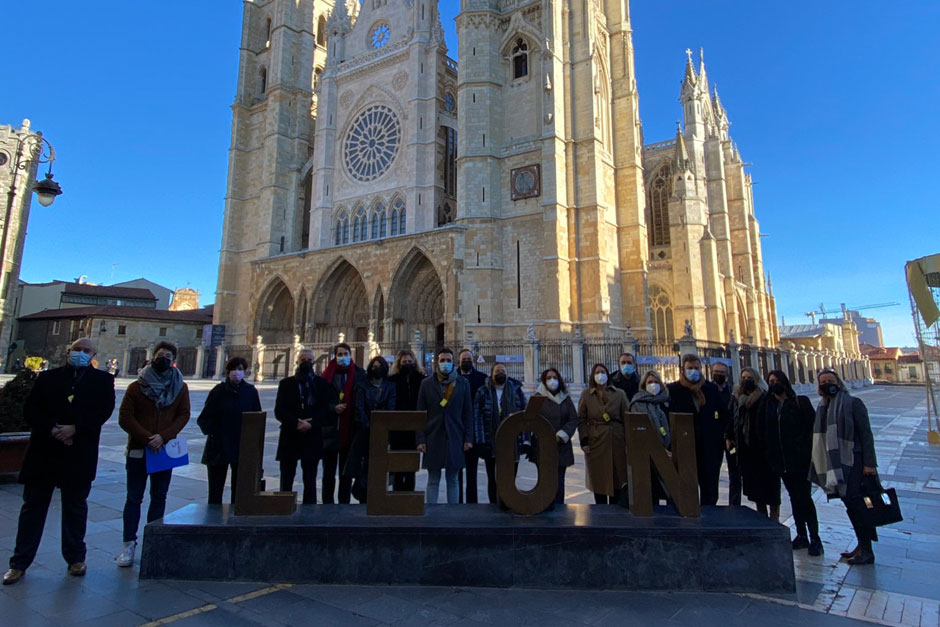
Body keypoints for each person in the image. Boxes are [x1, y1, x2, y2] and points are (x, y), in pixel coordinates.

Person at [3, 338, 115, 586]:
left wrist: (75, 428)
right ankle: (19, 563)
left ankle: (75, 559)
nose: (80, 353)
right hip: (44, 452)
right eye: (77, 349)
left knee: (75, 508)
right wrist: (53, 429)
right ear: (68, 351)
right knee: (33, 508)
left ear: (94, 354)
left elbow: (103, 412)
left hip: (79, 452)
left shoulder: (103, 380)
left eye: (86, 351)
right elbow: (31, 410)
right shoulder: (47, 378)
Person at [116, 341, 191, 568]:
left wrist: (163, 437)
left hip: (163, 451)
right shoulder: (137, 387)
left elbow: (183, 415)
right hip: (139, 449)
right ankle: (128, 543)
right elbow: (125, 417)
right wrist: (148, 437)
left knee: (159, 497)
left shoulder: (180, 387)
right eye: (161, 355)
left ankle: (154, 541)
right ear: (153, 357)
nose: (164, 358)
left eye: (168, 356)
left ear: (173, 360)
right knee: (133, 498)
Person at [810, 369, 879, 565]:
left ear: (838, 382)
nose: (827, 385)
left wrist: (869, 464)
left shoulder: (853, 403)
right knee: (850, 504)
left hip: (854, 461)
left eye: (830, 381)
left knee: (858, 504)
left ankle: (867, 550)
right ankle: (861, 545)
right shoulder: (823, 407)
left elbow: (866, 434)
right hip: (836, 464)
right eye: (823, 382)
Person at [763, 370, 821, 555]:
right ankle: (801, 535)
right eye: (770, 381)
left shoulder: (800, 402)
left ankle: (815, 538)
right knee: (794, 498)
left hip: (800, 460)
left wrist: (807, 452)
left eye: (777, 380)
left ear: (785, 382)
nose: (774, 384)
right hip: (781, 461)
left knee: (804, 498)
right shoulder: (770, 404)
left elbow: (813, 429)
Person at [667, 354, 731, 507]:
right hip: (684, 446)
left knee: (709, 488)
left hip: (708, 446)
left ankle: (709, 515)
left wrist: (718, 436)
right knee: (684, 487)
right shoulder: (673, 390)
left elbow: (724, 414)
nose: (693, 371)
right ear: (683, 369)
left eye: (696, 368)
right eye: (690, 368)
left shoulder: (711, 389)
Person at [197, 357, 262, 504]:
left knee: (240, 491)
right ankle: (214, 515)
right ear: (228, 372)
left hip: (242, 445)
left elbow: (256, 417)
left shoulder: (250, 391)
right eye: (233, 369)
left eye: (240, 369)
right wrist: (216, 434)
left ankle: (235, 515)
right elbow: (204, 419)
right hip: (219, 446)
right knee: (215, 490)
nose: (236, 372)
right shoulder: (218, 391)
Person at [274, 348, 332, 504]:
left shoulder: (321, 383)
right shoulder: (286, 384)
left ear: (314, 362)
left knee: (310, 478)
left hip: (312, 436)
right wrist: (296, 423)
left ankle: (310, 509)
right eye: (303, 360)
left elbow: (325, 410)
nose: (306, 362)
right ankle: (284, 506)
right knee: (286, 477)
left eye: (309, 360)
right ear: (297, 361)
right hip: (290, 435)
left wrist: (311, 423)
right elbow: (279, 410)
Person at [417, 348, 473, 504]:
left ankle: (453, 513)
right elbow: (420, 413)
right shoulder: (426, 384)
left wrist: (468, 438)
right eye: (442, 360)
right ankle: (431, 511)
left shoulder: (463, 383)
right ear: (437, 362)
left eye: (448, 360)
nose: (445, 363)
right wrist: (420, 439)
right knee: (433, 479)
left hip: (455, 435)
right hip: (433, 436)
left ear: (454, 362)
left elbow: (468, 413)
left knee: (453, 479)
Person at [728, 367, 780, 519]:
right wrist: (729, 437)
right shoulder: (737, 397)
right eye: (744, 378)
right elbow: (732, 418)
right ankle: (762, 516)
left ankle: (774, 517)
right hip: (747, 448)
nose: (746, 381)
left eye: (750, 378)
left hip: (763, 448)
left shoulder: (764, 396)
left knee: (770, 486)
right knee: (755, 488)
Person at [471, 363, 527, 503]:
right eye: (497, 371)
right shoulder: (483, 391)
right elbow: (477, 416)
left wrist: (525, 438)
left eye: (502, 370)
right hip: (491, 440)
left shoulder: (516, 389)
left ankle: (508, 502)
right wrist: (480, 439)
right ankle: (493, 503)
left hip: (512, 440)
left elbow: (524, 414)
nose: (500, 373)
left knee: (510, 475)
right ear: (491, 374)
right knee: (492, 477)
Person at [320, 343, 367, 504]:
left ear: (350, 355)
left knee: (346, 472)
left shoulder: (359, 374)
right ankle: (327, 503)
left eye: (345, 354)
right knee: (328, 472)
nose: (343, 357)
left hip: (350, 430)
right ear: (335, 356)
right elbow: (319, 401)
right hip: (330, 431)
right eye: (340, 354)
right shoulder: (326, 376)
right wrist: (332, 407)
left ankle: (344, 503)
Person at [578, 364, 629, 505]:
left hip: (616, 438)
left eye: (603, 372)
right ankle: (600, 508)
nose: (600, 375)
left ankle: (615, 507)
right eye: (597, 372)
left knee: (617, 476)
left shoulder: (619, 394)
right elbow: (581, 419)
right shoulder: (586, 395)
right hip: (595, 439)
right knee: (598, 478)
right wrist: (584, 440)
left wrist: (628, 440)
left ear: (608, 374)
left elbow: (627, 417)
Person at [349, 355, 397, 502]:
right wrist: (368, 427)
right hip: (364, 432)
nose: (377, 369)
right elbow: (359, 409)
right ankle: (362, 494)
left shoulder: (390, 386)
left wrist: (380, 428)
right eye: (375, 366)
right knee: (364, 465)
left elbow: (391, 408)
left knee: (380, 465)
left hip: (382, 433)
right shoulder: (362, 386)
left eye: (380, 366)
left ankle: (379, 495)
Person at [532, 368, 579, 505]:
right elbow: (531, 419)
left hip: (561, 445)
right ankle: (543, 505)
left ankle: (559, 507)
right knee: (544, 480)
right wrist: (544, 435)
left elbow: (573, 419)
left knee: (559, 481)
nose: (552, 381)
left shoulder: (565, 398)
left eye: (554, 377)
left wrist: (562, 434)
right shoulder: (538, 398)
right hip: (543, 445)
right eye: (548, 378)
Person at [629, 370, 671, 505]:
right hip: (647, 452)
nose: (653, 385)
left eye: (656, 382)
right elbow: (640, 430)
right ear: (644, 385)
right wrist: (658, 450)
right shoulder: (637, 403)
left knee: (669, 490)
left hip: (668, 450)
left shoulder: (666, 401)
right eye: (650, 382)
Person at [387, 349, 426, 491]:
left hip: (414, 428)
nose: (407, 364)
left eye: (410, 361)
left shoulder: (421, 379)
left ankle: (409, 494)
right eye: (404, 362)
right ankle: (397, 493)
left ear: (414, 362)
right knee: (397, 464)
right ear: (399, 363)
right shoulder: (392, 380)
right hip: (397, 428)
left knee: (411, 465)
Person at [457, 349, 487, 502]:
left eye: (468, 359)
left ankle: (472, 502)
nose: (466, 361)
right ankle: (456, 501)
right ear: (459, 361)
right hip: (456, 429)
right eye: (464, 359)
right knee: (456, 471)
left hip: (474, 429)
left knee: (472, 470)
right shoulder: (452, 377)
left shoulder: (482, 378)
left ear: (473, 360)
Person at [711, 361, 741, 507]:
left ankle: (735, 504)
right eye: (716, 372)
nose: (718, 375)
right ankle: (711, 503)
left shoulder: (733, 391)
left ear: (727, 375)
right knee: (712, 473)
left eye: (721, 373)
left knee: (735, 473)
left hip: (731, 438)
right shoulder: (707, 390)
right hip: (714, 438)